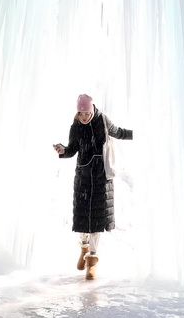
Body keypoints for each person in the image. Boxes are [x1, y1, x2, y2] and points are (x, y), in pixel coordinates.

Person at [53, 93, 133, 280]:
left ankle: (92, 260)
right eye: (80, 114)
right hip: (83, 177)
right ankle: (83, 248)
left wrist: (138, 134)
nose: (83, 117)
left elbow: (118, 132)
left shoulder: (102, 121)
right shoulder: (75, 126)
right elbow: (72, 149)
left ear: (92, 110)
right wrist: (63, 150)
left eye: (86, 113)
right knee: (82, 219)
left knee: (97, 219)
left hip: (102, 178)